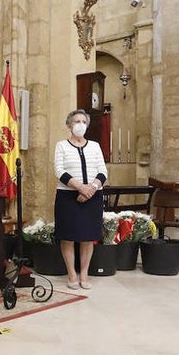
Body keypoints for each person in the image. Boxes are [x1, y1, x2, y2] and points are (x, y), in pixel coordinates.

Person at [52, 109, 107, 290]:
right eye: (77, 121)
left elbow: (102, 171)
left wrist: (91, 188)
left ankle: (84, 274)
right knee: (68, 237)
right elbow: (59, 171)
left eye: (84, 121)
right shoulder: (61, 146)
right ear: (69, 125)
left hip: (93, 196)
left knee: (87, 237)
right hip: (68, 197)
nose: (81, 125)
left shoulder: (95, 146)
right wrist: (80, 187)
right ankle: (72, 274)